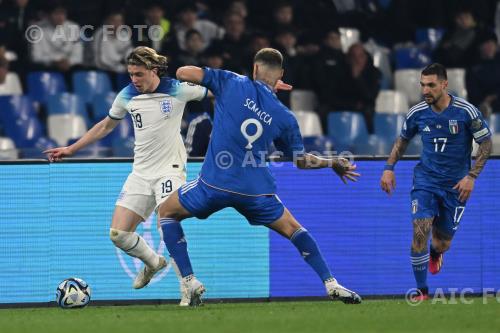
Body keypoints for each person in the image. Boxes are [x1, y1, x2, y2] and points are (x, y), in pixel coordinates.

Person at [157, 48, 362, 306]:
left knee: (166, 212)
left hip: (214, 185)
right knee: (294, 229)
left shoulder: (231, 81)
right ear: (280, 76)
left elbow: (182, 72)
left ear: (254, 69)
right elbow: (301, 161)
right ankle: (331, 283)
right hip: (256, 191)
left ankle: (189, 281)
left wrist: (219, 78)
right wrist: (332, 162)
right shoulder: (285, 117)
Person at [43, 46, 209, 306]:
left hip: (170, 169)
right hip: (141, 172)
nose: (134, 79)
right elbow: (106, 126)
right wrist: (71, 148)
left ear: (154, 71)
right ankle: (153, 262)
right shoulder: (128, 94)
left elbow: (220, 89)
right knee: (118, 234)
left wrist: (261, 89)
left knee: (166, 223)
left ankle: (188, 284)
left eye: (139, 74)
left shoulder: (178, 89)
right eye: (131, 74)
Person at [380, 63, 492, 300]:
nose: (425, 90)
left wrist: (471, 177)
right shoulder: (417, 113)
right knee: (420, 230)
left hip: (455, 186)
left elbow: (486, 143)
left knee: (442, 243)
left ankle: (435, 252)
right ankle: (422, 291)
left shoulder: (465, 111)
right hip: (426, 181)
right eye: (422, 85)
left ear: (444, 84)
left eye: (431, 85)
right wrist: (389, 168)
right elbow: (402, 141)